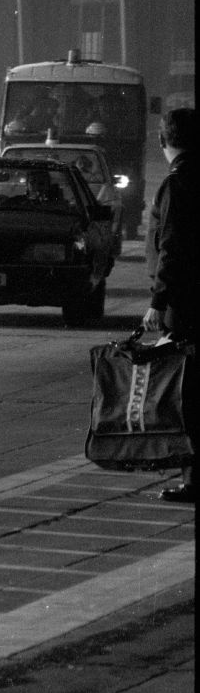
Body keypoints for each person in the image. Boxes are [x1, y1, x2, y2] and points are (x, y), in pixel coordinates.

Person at [144, 107, 198, 503]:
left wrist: (157, 301)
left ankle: (193, 480)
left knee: (187, 395)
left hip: (185, 305)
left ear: (163, 141)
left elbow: (171, 247)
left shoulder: (176, 185)